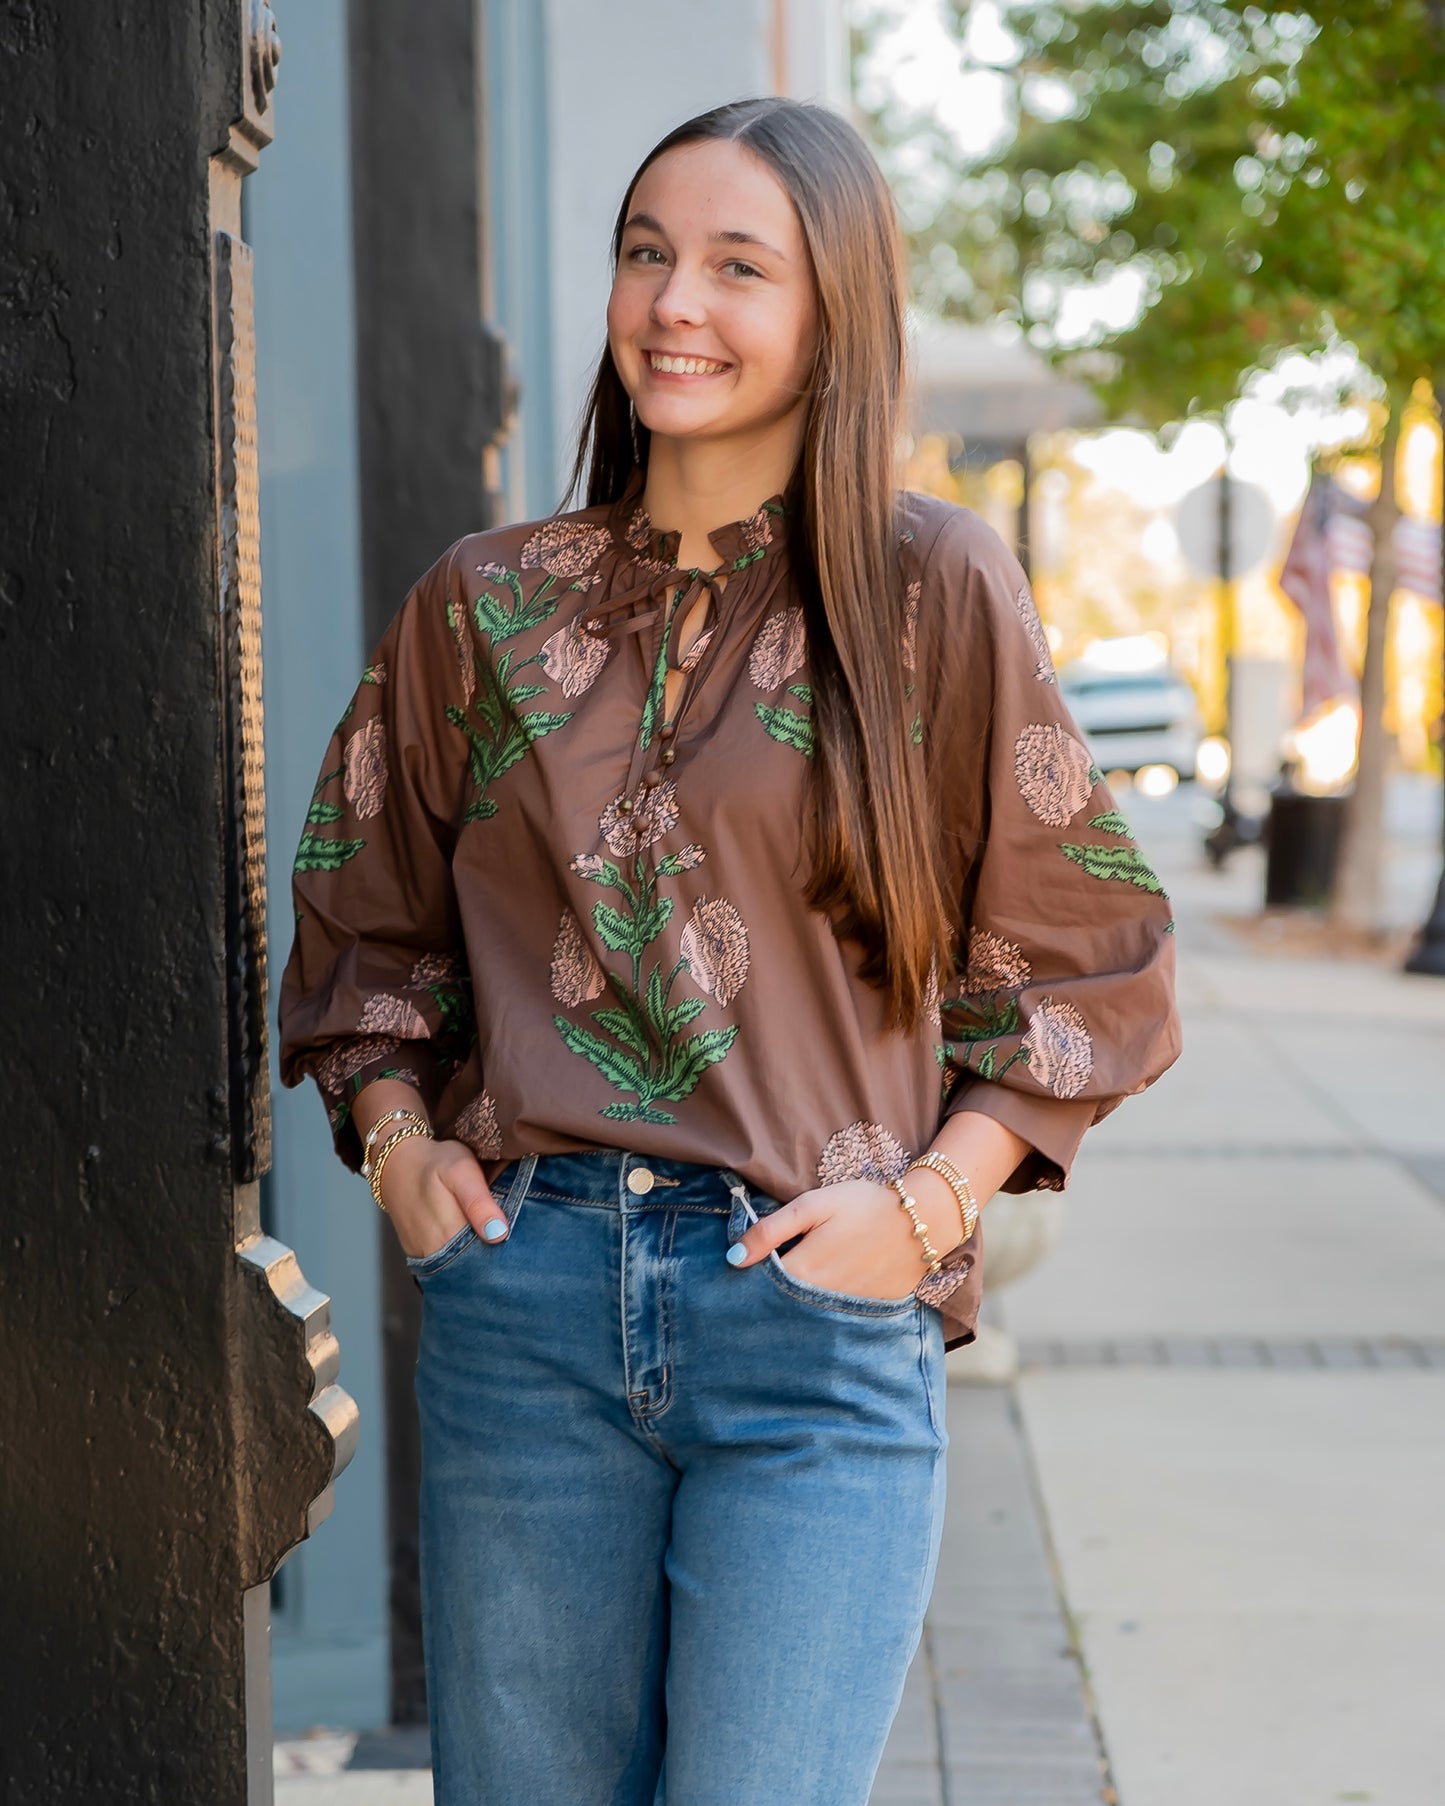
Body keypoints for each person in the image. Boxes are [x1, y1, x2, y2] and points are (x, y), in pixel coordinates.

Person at [277, 95, 1181, 1806]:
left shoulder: (931, 590)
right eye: (644, 254)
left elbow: (1091, 964)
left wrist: (923, 1208)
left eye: (734, 266)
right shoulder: (480, 602)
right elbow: (363, 931)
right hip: (524, 1311)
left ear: (830, 310)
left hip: (813, 1327)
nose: (671, 303)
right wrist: (399, 1154)